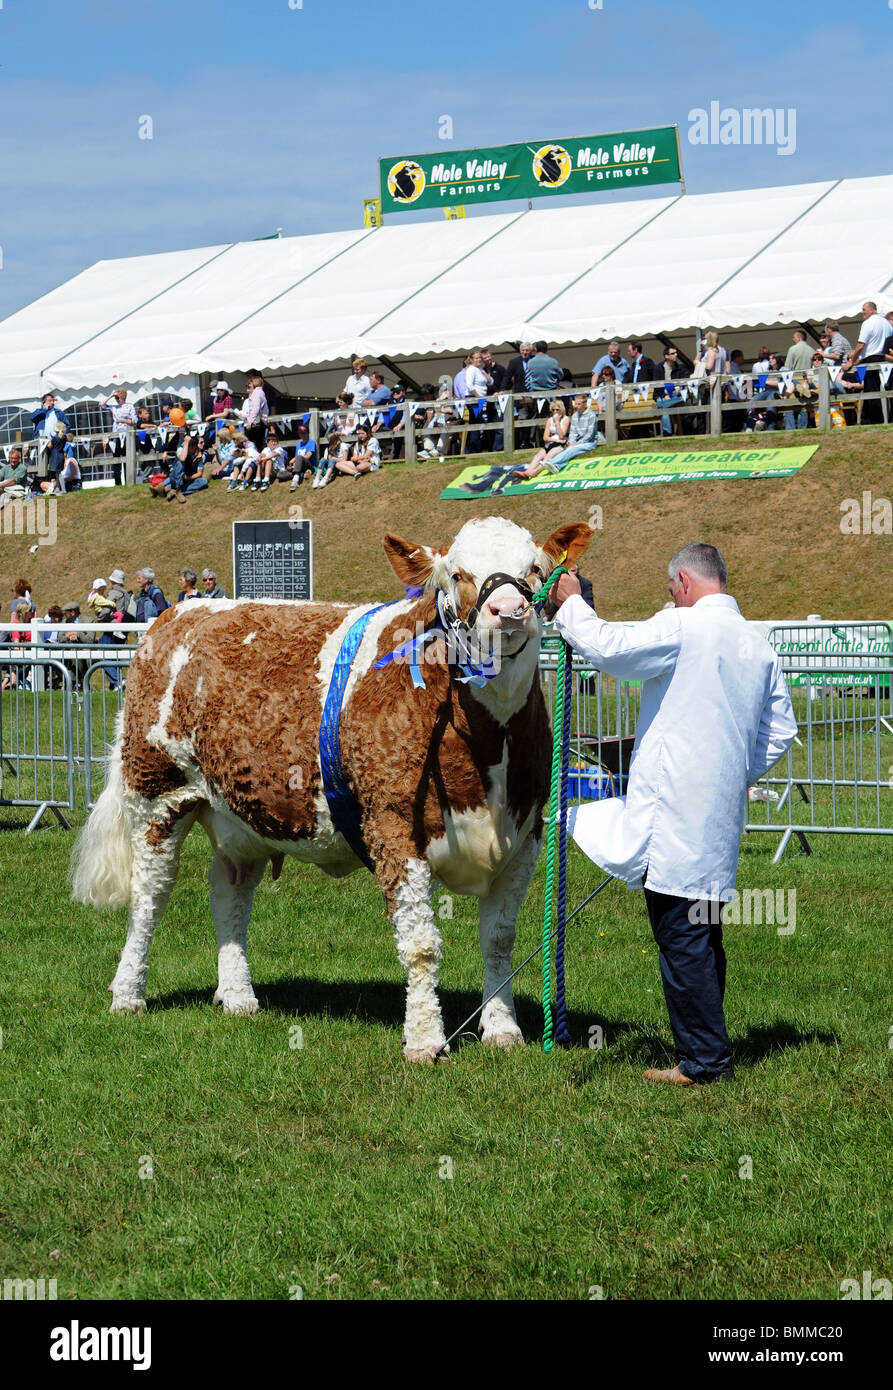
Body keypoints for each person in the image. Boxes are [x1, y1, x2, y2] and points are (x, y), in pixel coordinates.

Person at [546, 543, 798, 1086]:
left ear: (683, 580)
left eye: (669, 589)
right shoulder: (758, 646)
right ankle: (705, 1048)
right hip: (717, 813)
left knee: (682, 934)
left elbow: (610, 649)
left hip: (676, 813)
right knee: (703, 931)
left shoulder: (685, 628)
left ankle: (705, 1063)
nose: (670, 598)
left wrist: (570, 603)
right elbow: (780, 731)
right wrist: (731, 769)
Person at [843, 301, 892, 425]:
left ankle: (876, 420)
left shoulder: (868, 323)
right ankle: (867, 419)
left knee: (871, 390)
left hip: (870, 360)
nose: (862, 312)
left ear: (871, 310)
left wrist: (851, 361)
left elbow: (860, 345)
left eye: (864, 309)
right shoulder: (886, 323)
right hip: (885, 359)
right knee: (880, 389)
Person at [287, 425, 317, 490]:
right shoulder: (298, 445)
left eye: (303, 433)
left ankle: (295, 480)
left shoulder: (311, 442)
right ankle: (301, 474)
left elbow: (308, 456)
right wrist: (291, 466)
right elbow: (296, 458)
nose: (301, 435)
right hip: (299, 466)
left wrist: (295, 459)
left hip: (309, 464)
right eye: (300, 433)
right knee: (280, 474)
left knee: (299, 458)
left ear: (308, 433)